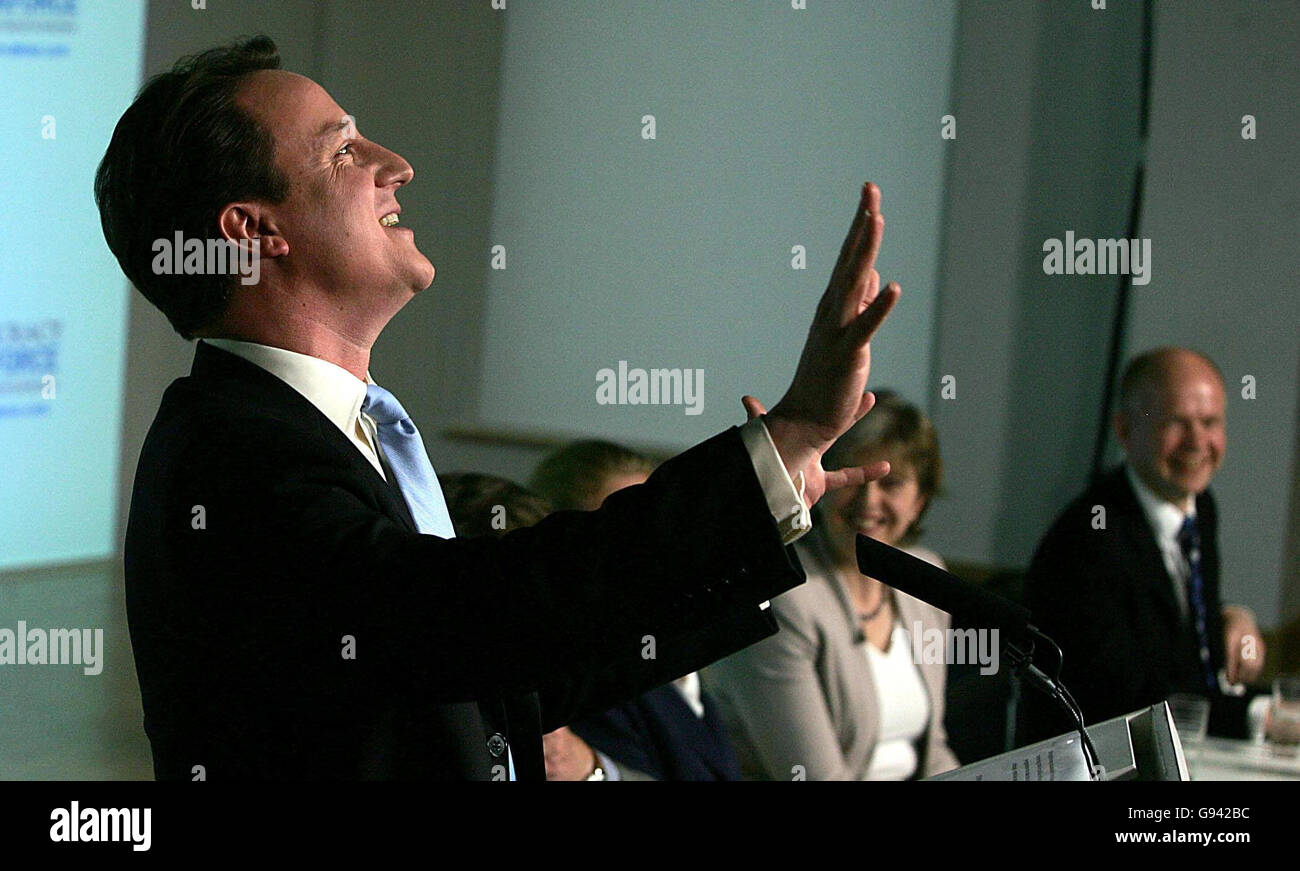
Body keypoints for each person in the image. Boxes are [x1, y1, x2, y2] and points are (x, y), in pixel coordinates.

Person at [96, 37, 902, 779]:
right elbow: (467, 621)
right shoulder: (231, 455)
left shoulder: (331, 431)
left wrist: (777, 481)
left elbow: (498, 672)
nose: (396, 163)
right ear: (251, 230)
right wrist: (771, 451)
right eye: (342, 149)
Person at [704, 392, 960, 780]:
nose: (868, 502)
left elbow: (933, 750)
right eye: (853, 477)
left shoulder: (925, 577)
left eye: (890, 483)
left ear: (920, 500)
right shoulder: (785, 597)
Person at [1020, 347, 1265, 743]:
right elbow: (1128, 701)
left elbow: (1183, 654)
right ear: (1124, 431)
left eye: (1210, 422)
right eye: (1176, 423)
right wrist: (1258, 716)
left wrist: (1232, 616)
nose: (1198, 442)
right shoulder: (1085, 540)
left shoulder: (1200, 507)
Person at [531, 441, 743, 781]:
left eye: (658, 520)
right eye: (627, 531)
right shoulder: (586, 678)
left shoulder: (681, 646)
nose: (654, 547)